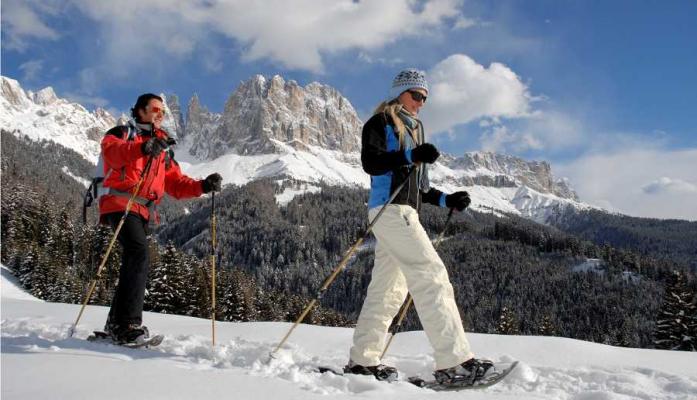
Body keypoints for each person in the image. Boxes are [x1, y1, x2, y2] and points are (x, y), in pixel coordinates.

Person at [345, 69, 494, 384]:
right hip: (391, 211)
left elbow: (420, 188)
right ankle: (455, 363)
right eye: (416, 95)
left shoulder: (414, 132)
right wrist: (410, 154)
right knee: (432, 276)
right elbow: (371, 163)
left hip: (402, 213)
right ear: (400, 92)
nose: (421, 103)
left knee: (388, 290)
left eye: (425, 98)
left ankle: (363, 361)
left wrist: (447, 200)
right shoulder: (381, 123)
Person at [98, 93, 222, 344]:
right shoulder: (122, 133)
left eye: (163, 112)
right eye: (155, 109)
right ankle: (128, 326)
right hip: (119, 202)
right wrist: (141, 147)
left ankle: (115, 323)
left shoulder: (163, 149)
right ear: (141, 111)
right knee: (139, 253)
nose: (159, 114)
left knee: (134, 259)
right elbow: (113, 153)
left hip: (143, 210)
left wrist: (203, 186)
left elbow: (176, 184)